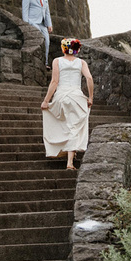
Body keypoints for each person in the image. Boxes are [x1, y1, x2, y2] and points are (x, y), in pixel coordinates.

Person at [41, 38, 94, 169]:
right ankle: (70, 161)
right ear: (77, 49)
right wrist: (91, 97)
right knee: (74, 126)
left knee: (65, 124)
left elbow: (54, 82)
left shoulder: (57, 61)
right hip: (77, 97)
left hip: (61, 97)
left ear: (63, 48)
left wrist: (46, 100)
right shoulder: (81, 63)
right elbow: (89, 78)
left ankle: (66, 154)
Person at [22, 0, 53, 69]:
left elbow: (47, 13)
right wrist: (26, 24)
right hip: (32, 22)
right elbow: (25, 11)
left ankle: (45, 63)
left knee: (47, 42)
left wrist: (49, 25)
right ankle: (36, 62)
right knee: (39, 38)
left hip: (42, 24)